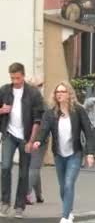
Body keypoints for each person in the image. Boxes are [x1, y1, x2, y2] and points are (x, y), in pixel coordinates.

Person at [33, 81, 95, 223]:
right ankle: (69, 210)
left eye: (63, 91)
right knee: (63, 187)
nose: (59, 94)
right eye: (57, 92)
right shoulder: (51, 113)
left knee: (69, 183)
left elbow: (89, 132)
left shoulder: (78, 111)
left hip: (74, 154)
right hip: (59, 155)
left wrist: (90, 153)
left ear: (69, 94)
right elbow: (44, 129)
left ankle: (65, 216)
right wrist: (38, 141)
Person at [0, 62, 44, 219]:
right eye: (12, 78)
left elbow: (37, 120)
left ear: (23, 76)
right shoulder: (4, 90)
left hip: (26, 137)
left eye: (17, 78)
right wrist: (1, 110)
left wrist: (31, 141)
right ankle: (5, 202)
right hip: (9, 135)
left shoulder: (33, 93)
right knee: (5, 167)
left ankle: (19, 206)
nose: (15, 81)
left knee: (24, 172)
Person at [26, 76, 47, 206]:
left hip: (28, 137)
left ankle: (39, 195)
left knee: (34, 166)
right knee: (34, 166)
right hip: (39, 138)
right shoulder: (41, 101)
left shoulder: (25, 100)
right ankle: (26, 194)